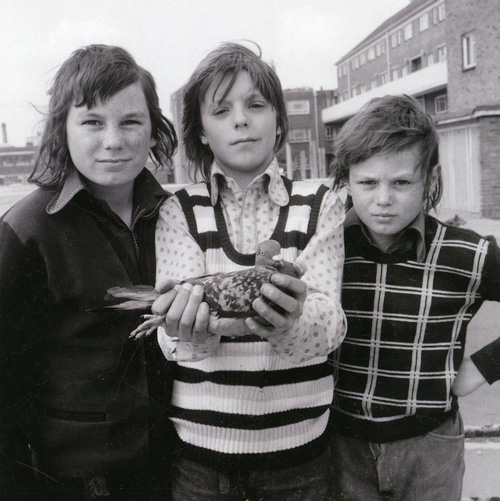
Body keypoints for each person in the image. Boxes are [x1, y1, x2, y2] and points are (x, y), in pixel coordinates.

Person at [151, 42, 346, 500]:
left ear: (278, 120)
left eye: (255, 105)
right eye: (221, 110)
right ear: (200, 131)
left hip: (298, 456)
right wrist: (186, 330)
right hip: (202, 459)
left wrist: (290, 320)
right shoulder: (179, 210)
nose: (241, 119)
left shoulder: (319, 205)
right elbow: (172, 341)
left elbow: (331, 325)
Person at [0, 44, 178, 500]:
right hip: (74, 481)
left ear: (154, 128)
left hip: (173, 474)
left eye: (130, 121)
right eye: (93, 122)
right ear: (63, 128)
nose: (114, 140)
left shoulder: (179, 219)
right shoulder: (26, 230)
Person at [329, 94, 500, 500]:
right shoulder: (328, 248)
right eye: (367, 182)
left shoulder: (469, 254)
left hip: (430, 448)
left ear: (430, 178)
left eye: (401, 182)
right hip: (340, 447)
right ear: (347, 178)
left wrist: (483, 367)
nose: (383, 199)